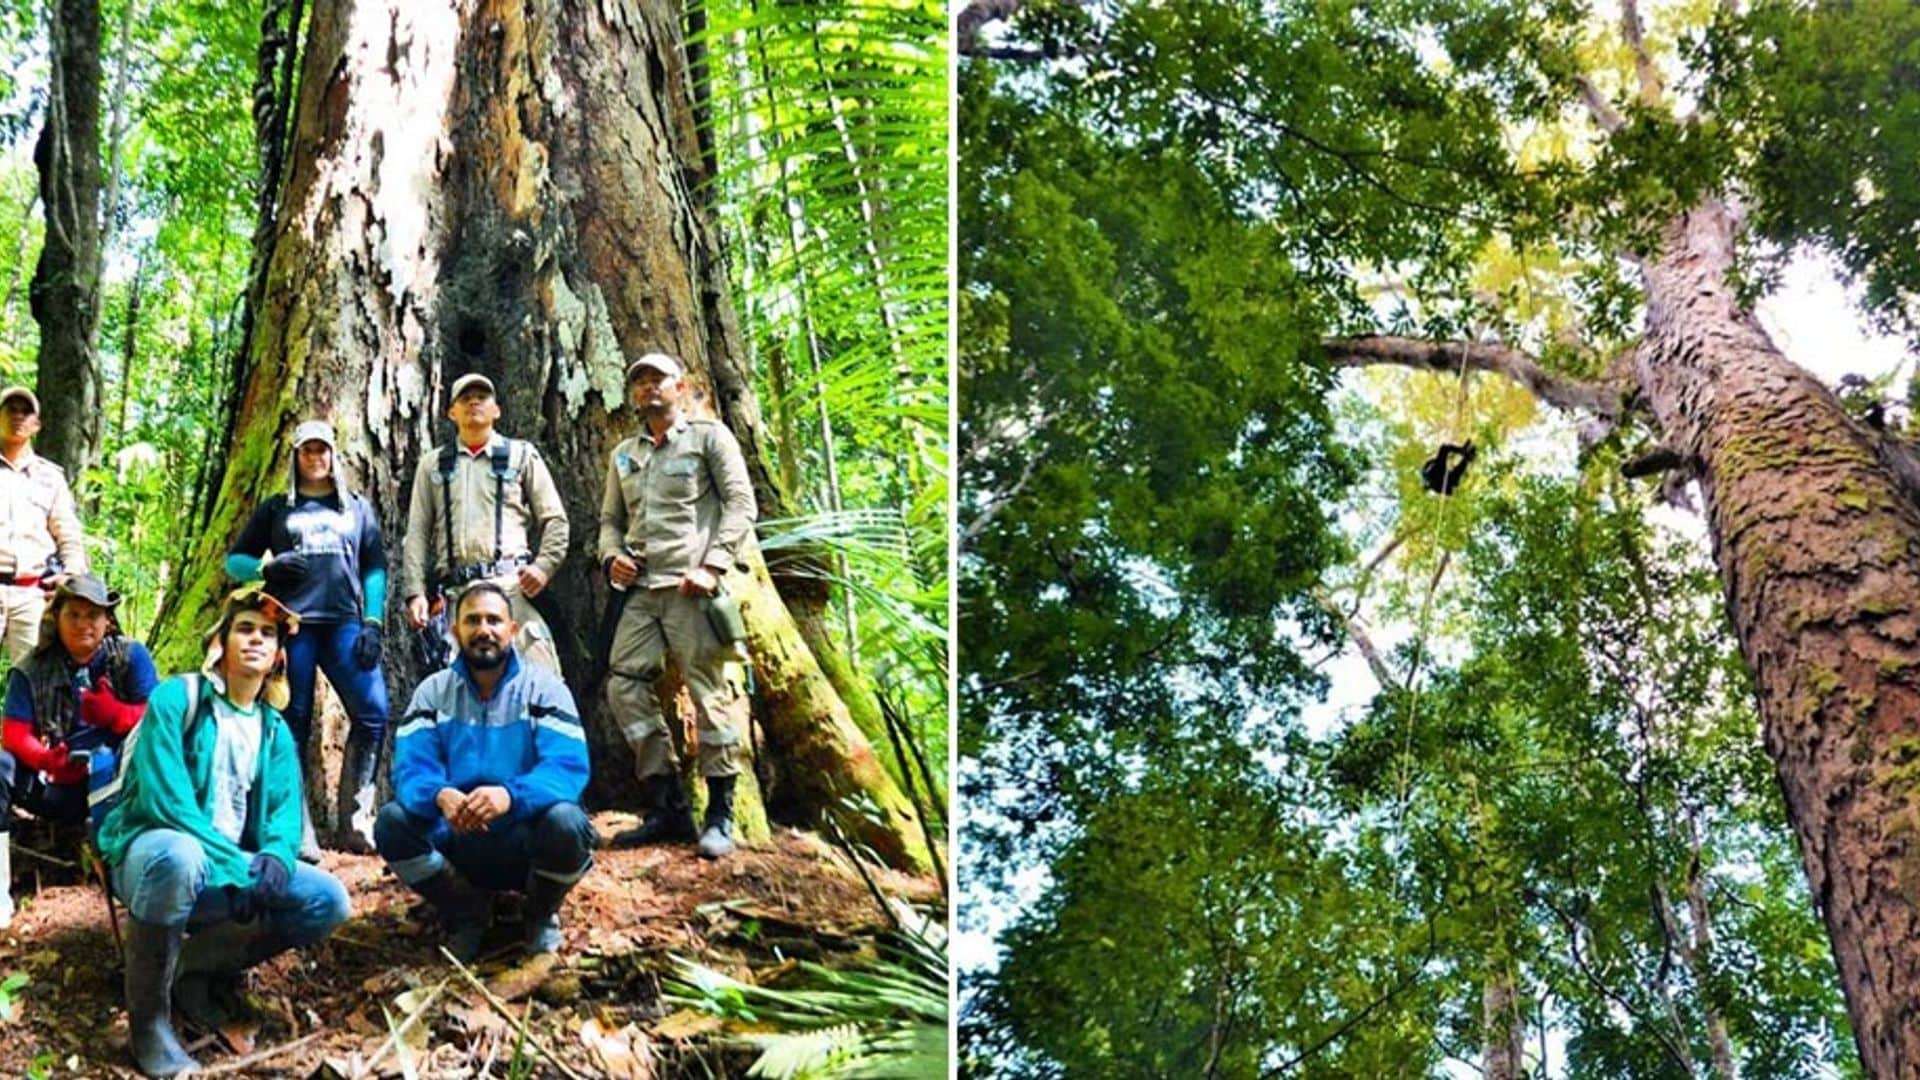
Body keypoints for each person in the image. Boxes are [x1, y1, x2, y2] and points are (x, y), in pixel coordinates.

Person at [96, 588, 350, 1078]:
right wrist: (238, 869)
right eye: (245, 628)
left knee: (327, 900)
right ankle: (148, 1023)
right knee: (182, 856)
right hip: (153, 858)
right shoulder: (177, 698)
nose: (256, 639)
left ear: (279, 654)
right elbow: (163, 802)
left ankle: (191, 967)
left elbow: (282, 813)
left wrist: (273, 859)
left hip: (227, 874)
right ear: (221, 641)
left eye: (268, 633)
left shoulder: (274, 729)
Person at [375, 581, 593, 960]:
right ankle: (467, 912)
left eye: (494, 620)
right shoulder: (433, 692)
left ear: (512, 629)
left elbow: (567, 768)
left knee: (568, 824)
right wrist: (439, 795)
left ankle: (540, 914)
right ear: (455, 631)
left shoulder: (545, 689)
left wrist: (511, 795)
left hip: (523, 837)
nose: (483, 630)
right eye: (472, 620)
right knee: (392, 824)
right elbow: (410, 768)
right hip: (457, 839)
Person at [599, 353, 756, 859]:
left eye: (657, 379)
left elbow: (740, 504)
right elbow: (610, 521)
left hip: (692, 588)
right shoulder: (625, 454)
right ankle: (669, 806)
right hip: (642, 591)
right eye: (639, 382)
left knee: (708, 693)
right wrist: (611, 557)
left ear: (680, 386)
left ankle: (722, 813)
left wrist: (712, 565)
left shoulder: (710, 437)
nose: (647, 388)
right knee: (623, 684)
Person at [227, 419, 390, 854]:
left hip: (343, 624)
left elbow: (374, 566)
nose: (315, 458)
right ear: (296, 457)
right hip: (292, 626)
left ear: (333, 455)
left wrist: (373, 622)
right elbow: (234, 562)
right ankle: (295, 825)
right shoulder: (278, 509)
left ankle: (356, 819)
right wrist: (266, 569)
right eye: (307, 450)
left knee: (373, 710)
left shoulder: (356, 508)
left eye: (322, 450)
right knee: (290, 720)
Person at [0, 574, 157, 926]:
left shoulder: (131, 657)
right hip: (60, 785)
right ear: (57, 617)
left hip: (125, 787)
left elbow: (159, 716)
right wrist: (46, 759)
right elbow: (13, 734)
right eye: (74, 614)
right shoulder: (31, 668)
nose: (84, 624)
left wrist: (117, 714)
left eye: (93, 615)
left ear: (107, 620)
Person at [400, 373, 568, 673]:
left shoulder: (522, 455)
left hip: (512, 588)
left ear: (497, 409)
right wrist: (416, 593)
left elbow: (555, 519)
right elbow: (417, 532)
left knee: (542, 685)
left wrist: (543, 567)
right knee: (458, 695)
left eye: (482, 396)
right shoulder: (433, 465)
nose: (474, 402)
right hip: (457, 595)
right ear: (452, 413)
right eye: (465, 398)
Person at [0, 385, 87, 665]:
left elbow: (68, 534)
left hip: (31, 592)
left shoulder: (50, 477)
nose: (18, 417)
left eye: (26, 412)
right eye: (10, 409)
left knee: (34, 682)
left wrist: (71, 577)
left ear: (36, 425)